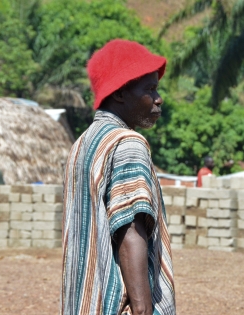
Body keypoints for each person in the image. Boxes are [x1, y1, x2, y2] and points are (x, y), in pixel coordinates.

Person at [61, 39, 175, 315]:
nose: (158, 99)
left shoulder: (83, 144)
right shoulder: (127, 144)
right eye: (150, 89)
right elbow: (129, 230)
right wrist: (141, 308)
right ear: (121, 93)